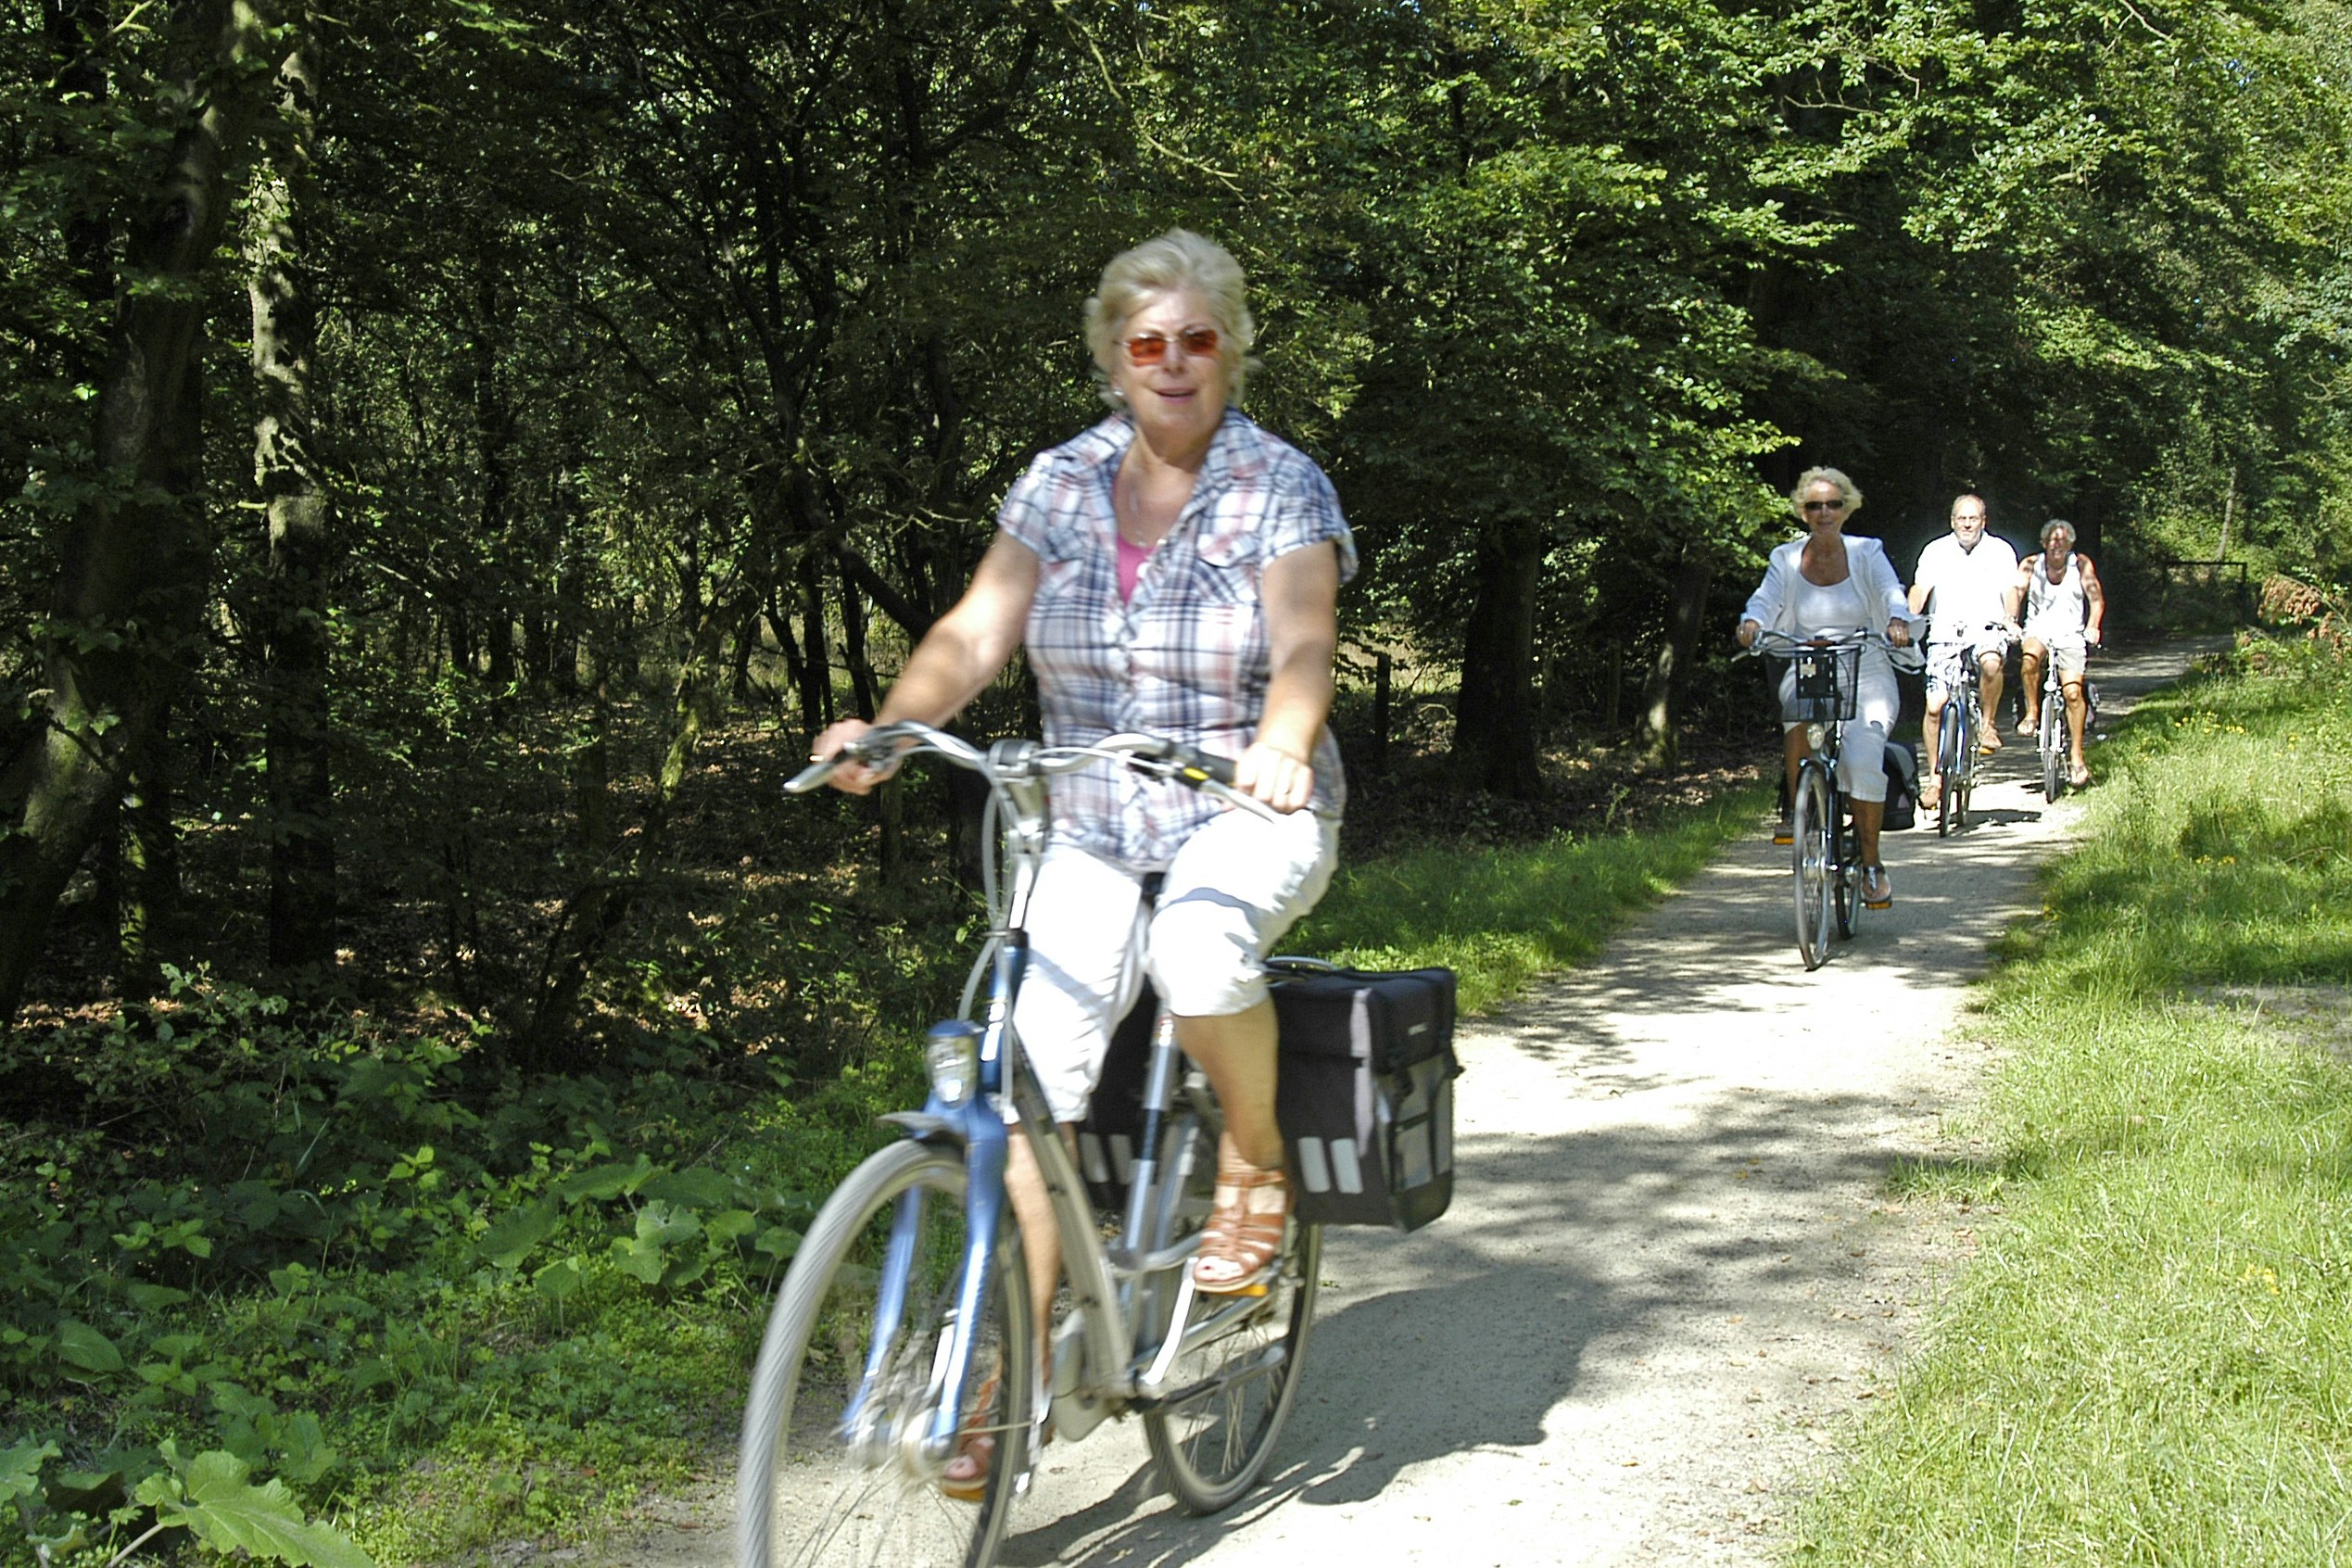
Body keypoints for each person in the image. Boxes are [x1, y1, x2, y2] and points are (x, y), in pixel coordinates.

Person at [811, 231, 1354, 1486]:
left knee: (1199, 942)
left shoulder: (1279, 482)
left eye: (1197, 341)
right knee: (1020, 1090)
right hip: (1089, 815)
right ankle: (1013, 1351)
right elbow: (976, 628)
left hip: (1240, 800)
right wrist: (895, 724)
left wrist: (1283, 742)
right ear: (1113, 356)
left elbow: (1304, 645)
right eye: (1146, 342)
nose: (1171, 364)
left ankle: (1252, 1161)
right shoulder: (1059, 483)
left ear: (1231, 353)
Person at [1737, 467, 1916, 908]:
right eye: (1814, 505)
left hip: (1866, 661)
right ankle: (1800, 810)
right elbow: (1766, 597)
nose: (1824, 513)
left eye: (1832, 504)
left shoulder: (1867, 552)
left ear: (1846, 507)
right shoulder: (1786, 557)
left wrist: (1896, 620)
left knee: (1861, 753)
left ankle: (1872, 862)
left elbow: (1890, 591)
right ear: (1803, 511)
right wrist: (1752, 621)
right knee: (1795, 713)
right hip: (1810, 661)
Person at [1908, 492, 2019, 814]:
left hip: (1985, 629)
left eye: (1973, 518)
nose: (1966, 524)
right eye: (1961, 518)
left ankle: (1987, 725)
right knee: (1934, 706)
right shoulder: (1935, 550)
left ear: (1983, 521)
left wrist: (2010, 620)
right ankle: (1935, 779)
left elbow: (2010, 591)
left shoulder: (1999, 550)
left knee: (1991, 662)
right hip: (1945, 633)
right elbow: (1920, 589)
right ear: (1952, 521)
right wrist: (1909, 615)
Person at [2012, 517, 2105, 786]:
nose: (2057, 545)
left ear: (2070, 544)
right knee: (2029, 658)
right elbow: (2017, 593)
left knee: (2073, 692)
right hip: (2038, 629)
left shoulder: (2081, 564)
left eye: (2062, 541)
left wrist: (2093, 627)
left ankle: (2076, 755)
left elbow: (2095, 598)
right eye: (2052, 540)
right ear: (2043, 543)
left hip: (2070, 634)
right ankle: (2031, 713)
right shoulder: (2030, 565)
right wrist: (2012, 620)